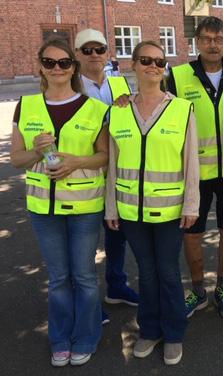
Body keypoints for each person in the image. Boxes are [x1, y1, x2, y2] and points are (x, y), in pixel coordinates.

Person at [10, 38, 109, 366]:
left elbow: (105, 158)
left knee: (83, 275)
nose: (57, 68)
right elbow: (16, 160)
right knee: (58, 277)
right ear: (40, 66)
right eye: (49, 62)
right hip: (43, 209)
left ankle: (86, 336)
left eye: (64, 63)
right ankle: (60, 338)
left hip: (83, 206)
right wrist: (38, 152)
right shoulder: (26, 105)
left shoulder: (95, 108)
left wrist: (75, 162)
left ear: (73, 67)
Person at [105, 40, 199, 365]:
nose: (154, 66)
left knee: (169, 273)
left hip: (171, 210)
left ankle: (173, 334)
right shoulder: (118, 110)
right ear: (133, 64)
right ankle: (149, 330)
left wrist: (191, 205)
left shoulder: (182, 109)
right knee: (145, 273)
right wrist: (111, 207)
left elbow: (191, 163)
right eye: (146, 60)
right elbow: (113, 164)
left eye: (160, 61)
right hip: (131, 210)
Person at [167, 16, 223, 320]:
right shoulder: (177, 76)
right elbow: (155, 104)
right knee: (192, 234)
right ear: (197, 42)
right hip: (194, 173)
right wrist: (127, 98)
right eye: (207, 39)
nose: (213, 45)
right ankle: (199, 289)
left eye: (219, 39)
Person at [74, 28, 138, 322]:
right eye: (87, 50)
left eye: (99, 49)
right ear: (77, 55)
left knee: (116, 235)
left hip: (117, 173)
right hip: (85, 174)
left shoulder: (120, 83)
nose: (94, 55)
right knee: (85, 243)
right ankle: (88, 301)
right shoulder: (72, 87)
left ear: (107, 52)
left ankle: (116, 286)